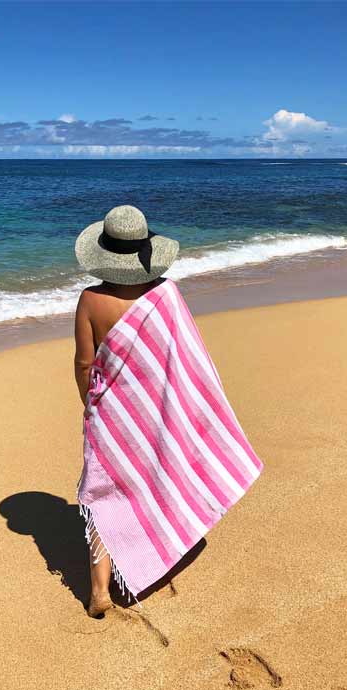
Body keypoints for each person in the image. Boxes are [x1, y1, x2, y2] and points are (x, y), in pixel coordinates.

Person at [74, 205, 263, 618]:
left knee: (103, 494)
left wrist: (89, 404)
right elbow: (184, 356)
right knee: (154, 476)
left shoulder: (91, 300)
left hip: (112, 413)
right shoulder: (166, 295)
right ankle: (161, 542)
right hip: (154, 411)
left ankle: (99, 589)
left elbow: (86, 363)